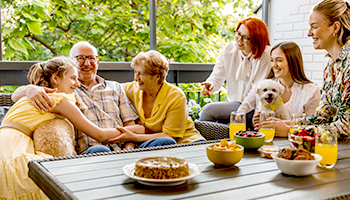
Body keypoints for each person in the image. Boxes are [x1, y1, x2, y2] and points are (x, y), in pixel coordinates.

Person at [0, 56, 143, 200]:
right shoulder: (59, 99)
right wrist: (133, 130)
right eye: (73, 78)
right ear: (55, 78)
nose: (77, 84)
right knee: (58, 177)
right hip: (14, 154)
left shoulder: (34, 96)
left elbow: (15, 95)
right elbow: (99, 134)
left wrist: (29, 88)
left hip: (5, 145)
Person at [12, 41, 141, 154]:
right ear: (71, 61)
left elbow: (131, 125)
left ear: (97, 62)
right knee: (101, 152)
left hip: (124, 149)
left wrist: (128, 149)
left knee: (161, 142)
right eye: (80, 58)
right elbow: (15, 95)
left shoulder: (116, 87)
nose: (86, 63)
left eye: (91, 58)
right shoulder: (67, 90)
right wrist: (30, 88)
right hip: (90, 153)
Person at [108, 50, 206, 145]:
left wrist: (134, 137)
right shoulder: (132, 89)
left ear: (157, 77)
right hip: (156, 144)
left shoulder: (175, 96)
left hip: (187, 142)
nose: (136, 78)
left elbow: (169, 136)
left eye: (141, 73)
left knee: (167, 142)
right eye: (135, 72)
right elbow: (109, 89)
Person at [199, 17, 272, 130]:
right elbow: (217, 74)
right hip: (235, 103)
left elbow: (257, 90)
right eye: (238, 33)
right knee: (214, 116)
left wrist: (241, 111)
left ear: (256, 40)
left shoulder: (266, 54)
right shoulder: (229, 49)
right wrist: (210, 84)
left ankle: (199, 144)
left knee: (208, 111)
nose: (239, 39)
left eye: (245, 37)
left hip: (254, 107)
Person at [238, 41, 321, 137]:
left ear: (292, 61)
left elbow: (313, 126)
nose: (274, 65)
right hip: (265, 141)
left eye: (279, 60)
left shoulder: (311, 91)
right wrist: (255, 121)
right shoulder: (263, 85)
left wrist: (285, 126)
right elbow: (245, 110)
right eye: (272, 60)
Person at [307, 0, 350, 141]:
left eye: (314, 27)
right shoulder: (330, 65)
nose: (309, 33)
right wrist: (292, 124)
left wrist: (294, 131)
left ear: (335, 28)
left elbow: (345, 126)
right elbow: (324, 116)